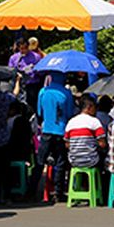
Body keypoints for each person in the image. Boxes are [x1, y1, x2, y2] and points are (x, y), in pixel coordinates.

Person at [32, 73, 75, 202]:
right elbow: (69, 113)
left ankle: (31, 190)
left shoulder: (43, 91)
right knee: (61, 162)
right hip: (61, 131)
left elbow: (39, 112)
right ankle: (58, 192)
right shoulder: (66, 93)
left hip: (47, 130)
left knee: (40, 161)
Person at [64, 96, 106, 169]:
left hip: (73, 161)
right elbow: (102, 144)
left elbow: (67, 145)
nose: (96, 110)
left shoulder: (71, 122)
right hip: (91, 161)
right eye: (95, 107)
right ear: (89, 107)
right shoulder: (94, 121)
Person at [9, 38, 43, 109]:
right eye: (21, 48)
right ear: (18, 48)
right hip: (19, 84)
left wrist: (34, 70)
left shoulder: (36, 57)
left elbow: (42, 72)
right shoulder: (14, 58)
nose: (24, 50)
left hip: (32, 84)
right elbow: (10, 71)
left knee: (32, 105)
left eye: (25, 48)